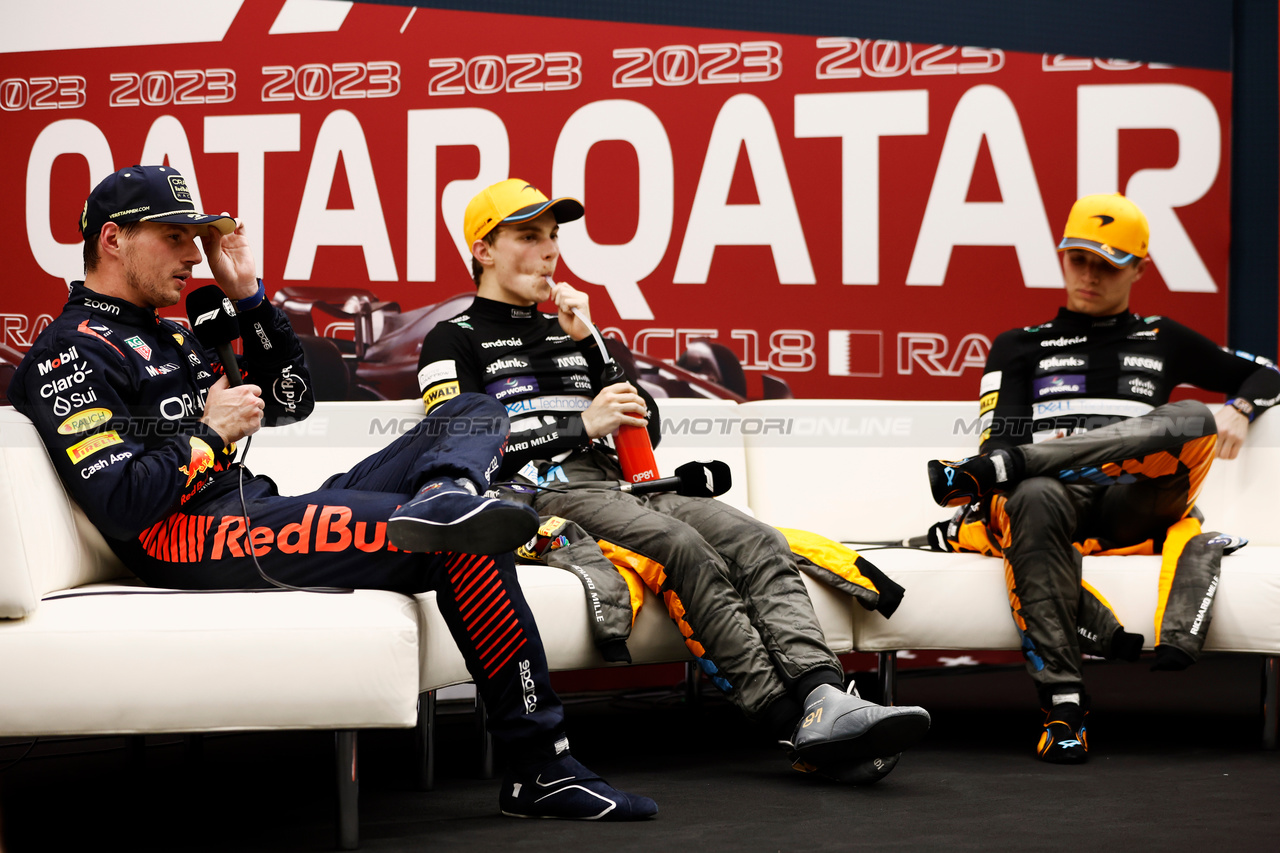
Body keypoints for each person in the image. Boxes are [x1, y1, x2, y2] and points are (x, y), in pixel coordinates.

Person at [8, 165, 656, 821]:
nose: (191, 253)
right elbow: (120, 502)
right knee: (465, 537)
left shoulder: (175, 331)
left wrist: (251, 298)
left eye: (195, 236)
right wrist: (207, 435)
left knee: (472, 411)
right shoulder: (68, 354)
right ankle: (543, 768)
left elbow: (291, 400)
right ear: (113, 239)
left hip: (255, 507)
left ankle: (446, 488)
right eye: (174, 235)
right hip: (191, 539)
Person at [416, 178, 932, 784]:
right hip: (538, 495)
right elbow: (454, 450)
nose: (550, 251)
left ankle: (825, 696)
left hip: (622, 487)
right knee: (679, 547)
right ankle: (791, 721)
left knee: (758, 539)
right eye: (529, 237)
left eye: (554, 236)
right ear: (484, 251)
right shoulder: (451, 339)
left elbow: (645, 428)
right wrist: (579, 423)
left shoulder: (576, 329)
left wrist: (594, 348)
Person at [925, 193, 1280, 763]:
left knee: (1193, 418)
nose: (1089, 276)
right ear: (1063, 257)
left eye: (1107, 265)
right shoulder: (1019, 344)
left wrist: (1240, 407)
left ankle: (1009, 474)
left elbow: (1266, 374)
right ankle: (1063, 708)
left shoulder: (1164, 337)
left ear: (1138, 269)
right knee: (1033, 491)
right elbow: (1000, 439)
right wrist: (1027, 463)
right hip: (1053, 502)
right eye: (1078, 259)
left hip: (1141, 501)